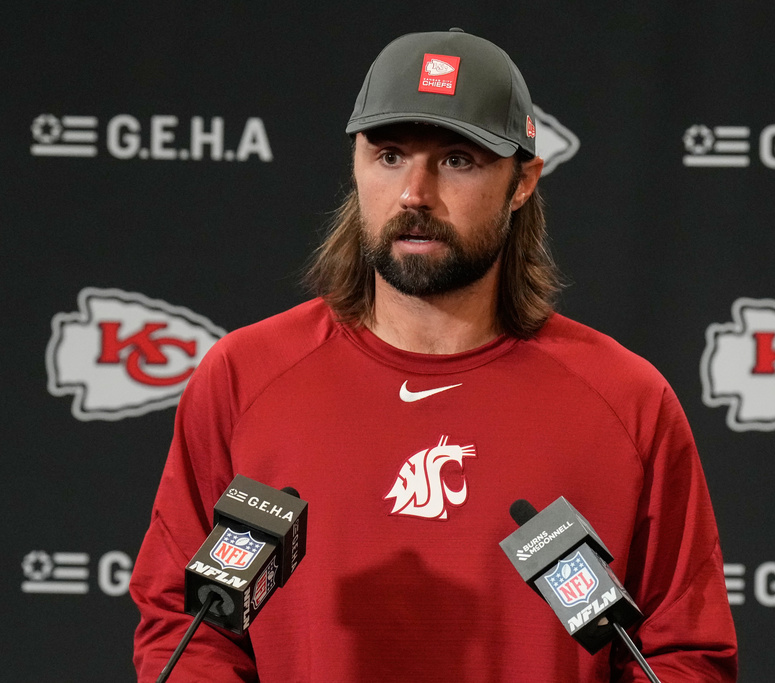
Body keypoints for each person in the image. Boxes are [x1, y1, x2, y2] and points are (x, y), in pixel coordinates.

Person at [130, 29, 738, 682]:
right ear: (356, 163)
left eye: (457, 160)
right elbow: (185, 627)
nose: (415, 193)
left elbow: (682, 652)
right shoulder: (243, 377)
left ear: (523, 181)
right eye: (390, 155)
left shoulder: (627, 401)